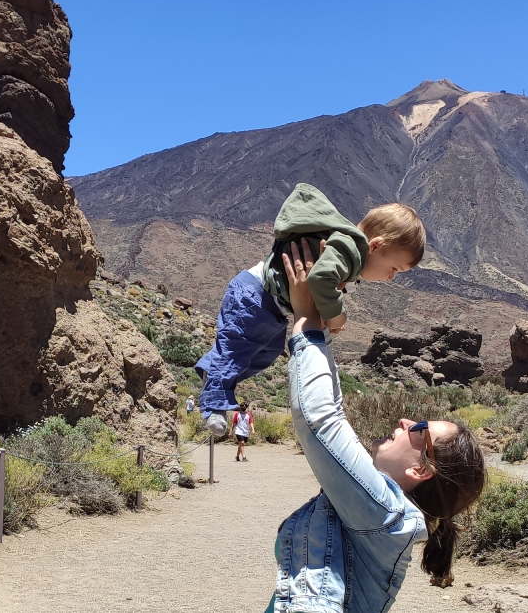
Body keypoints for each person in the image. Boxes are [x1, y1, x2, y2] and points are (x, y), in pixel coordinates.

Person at [268, 240, 487, 613]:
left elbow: (321, 419)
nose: (403, 421)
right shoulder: (379, 510)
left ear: (421, 468)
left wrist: (305, 317)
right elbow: (333, 412)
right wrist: (321, 318)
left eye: (418, 429)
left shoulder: (387, 515)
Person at [194, 183, 425, 434]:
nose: (391, 277)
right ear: (376, 246)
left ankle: (216, 375)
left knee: (266, 353)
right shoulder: (348, 249)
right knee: (236, 349)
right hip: (254, 297)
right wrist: (335, 315)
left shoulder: (350, 256)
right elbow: (320, 278)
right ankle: (214, 397)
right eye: (394, 269)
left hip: (270, 308)